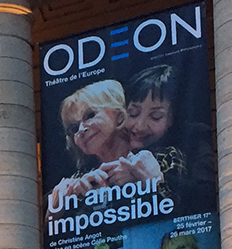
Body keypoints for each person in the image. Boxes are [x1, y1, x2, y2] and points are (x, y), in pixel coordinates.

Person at [46, 80, 163, 213]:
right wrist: (54, 213)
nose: (81, 129)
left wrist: (154, 181)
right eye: (74, 128)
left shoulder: (163, 159)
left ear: (119, 114)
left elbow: (181, 212)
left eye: (90, 115)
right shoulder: (71, 187)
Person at [122, 64, 216, 215]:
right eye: (133, 113)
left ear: (173, 118)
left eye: (156, 117)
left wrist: (157, 179)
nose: (140, 126)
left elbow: (207, 198)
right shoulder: (108, 146)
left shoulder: (195, 143)